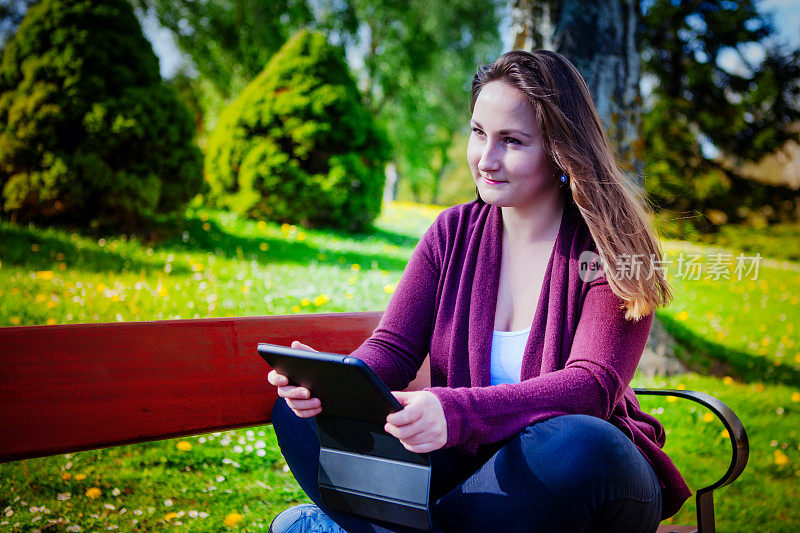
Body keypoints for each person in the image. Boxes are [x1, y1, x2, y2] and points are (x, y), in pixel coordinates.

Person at [267, 49, 691, 532]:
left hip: (578, 483)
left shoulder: (613, 246)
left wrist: (457, 411)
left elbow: (591, 388)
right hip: (467, 481)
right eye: (478, 133)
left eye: (511, 140)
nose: (485, 159)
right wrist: (334, 385)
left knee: (581, 442)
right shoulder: (450, 234)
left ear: (560, 148)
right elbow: (394, 348)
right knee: (297, 416)